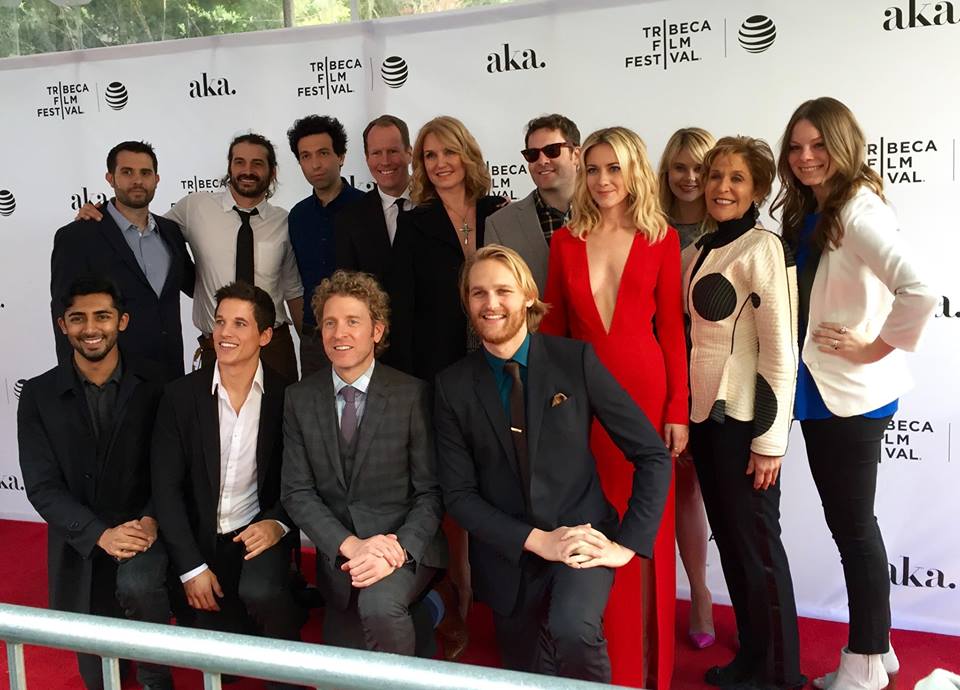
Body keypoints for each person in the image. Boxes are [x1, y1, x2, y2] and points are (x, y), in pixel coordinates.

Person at [434, 244, 671, 682]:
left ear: (527, 295)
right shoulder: (452, 387)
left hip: (583, 538)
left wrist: (627, 546)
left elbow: (652, 454)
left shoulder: (574, 361)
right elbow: (460, 498)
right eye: (478, 293)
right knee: (531, 675)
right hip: (509, 555)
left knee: (574, 629)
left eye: (503, 291)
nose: (491, 304)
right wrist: (537, 541)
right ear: (466, 302)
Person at [773, 97, 937, 690]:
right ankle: (882, 645)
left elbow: (920, 289)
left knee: (853, 528)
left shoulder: (859, 212)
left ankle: (866, 660)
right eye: (796, 147)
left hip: (851, 393)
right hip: (822, 388)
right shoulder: (821, 210)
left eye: (818, 145)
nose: (806, 157)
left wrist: (872, 347)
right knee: (854, 524)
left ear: (843, 145)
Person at [540, 126, 687, 690]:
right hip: (580, 403)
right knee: (589, 517)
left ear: (634, 172)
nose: (603, 180)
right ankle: (596, 662)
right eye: (595, 168)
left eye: (615, 169)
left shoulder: (661, 237)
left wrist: (677, 409)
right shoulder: (565, 240)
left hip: (646, 396)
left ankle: (646, 668)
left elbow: (673, 332)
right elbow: (551, 331)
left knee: (644, 522)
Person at [280, 270, 457, 657]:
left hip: (403, 549)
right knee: (342, 671)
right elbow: (297, 492)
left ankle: (420, 610)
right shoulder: (299, 398)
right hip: (343, 556)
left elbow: (430, 493)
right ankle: (426, 612)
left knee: (379, 607)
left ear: (377, 331)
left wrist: (398, 549)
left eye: (352, 322)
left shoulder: (412, 394)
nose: (339, 333)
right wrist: (351, 546)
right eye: (330, 323)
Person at [684, 136, 804, 690]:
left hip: (745, 423)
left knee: (757, 547)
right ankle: (754, 658)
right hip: (707, 422)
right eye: (715, 177)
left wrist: (770, 441)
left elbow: (781, 352)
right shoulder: (702, 248)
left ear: (757, 187)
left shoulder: (764, 248)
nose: (722, 187)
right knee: (733, 543)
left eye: (736, 178)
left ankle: (779, 672)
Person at [19, 276, 174, 690]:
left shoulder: (159, 385)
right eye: (78, 318)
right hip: (80, 548)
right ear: (62, 325)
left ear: (122, 321)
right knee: (101, 679)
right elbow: (41, 485)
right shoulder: (37, 395)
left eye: (102, 316)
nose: (91, 328)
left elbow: (172, 468)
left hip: (146, 536)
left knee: (152, 666)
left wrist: (151, 520)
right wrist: (100, 535)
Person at [151, 282, 304, 690]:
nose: (225, 333)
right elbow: (164, 489)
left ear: (266, 336)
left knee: (265, 597)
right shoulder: (180, 396)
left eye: (239, 323)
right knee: (223, 662)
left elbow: (302, 480)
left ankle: (288, 676)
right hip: (198, 541)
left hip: (254, 535)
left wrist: (279, 523)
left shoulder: (288, 397)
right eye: (220, 322)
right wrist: (190, 567)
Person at [77, 133, 304, 382]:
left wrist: (311, 344)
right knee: (210, 421)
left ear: (272, 172)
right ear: (229, 167)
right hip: (216, 345)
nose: (247, 170)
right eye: (239, 162)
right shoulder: (194, 207)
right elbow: (142, 228)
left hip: (272, 346)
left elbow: (293, 288)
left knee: (282, 419)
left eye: (257, 164)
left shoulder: (285, 221)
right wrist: (102, 213)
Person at [51, 141, 194, 382]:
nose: (137, 180)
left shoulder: (171, 232)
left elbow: (194, 285)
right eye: (127, 172)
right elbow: (64, 309)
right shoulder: (78, 236)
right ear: (110, 178)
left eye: (145, 173)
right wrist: (72, 381)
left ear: (156, 179)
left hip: (170, 375)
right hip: (113, 380)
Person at [388, 115, 508, 383]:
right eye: (430, 155)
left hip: (500, 353)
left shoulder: (498, 211)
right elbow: (402, 308)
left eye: (449, 152)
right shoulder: (412, 224)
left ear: (467, 155)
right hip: (438, 366)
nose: (440, 163)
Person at [656, 126, 717, 649]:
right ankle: (652, 600)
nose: (691, 177)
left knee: (694, 494)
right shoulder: (649, 229)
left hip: (715, 380)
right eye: (681, 167)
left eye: (701, 167)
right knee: (661, 492)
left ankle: (700, 594)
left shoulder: (736, 229)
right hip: (659, 373)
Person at [286, 115, 364, 377]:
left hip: (361, 336)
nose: (315, 164)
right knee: (315, 414)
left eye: (323, 153)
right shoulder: (297, 217)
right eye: (305, 156)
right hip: (313, 341)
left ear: (340, 156)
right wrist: (307, 331)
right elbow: (295, 281)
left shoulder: (368, 209)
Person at [485, 113, 581, 293]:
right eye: (533, 154)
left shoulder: (611, 212)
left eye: (552, 150)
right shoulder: (500, 225)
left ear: (576, 155)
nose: (542, 161)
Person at [334, 114, 414, 290]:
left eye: (392, 151)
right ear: (367, 158)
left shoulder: (437, 205)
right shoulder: (349, 220)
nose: (385, 161)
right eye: (376, 153)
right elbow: (350, 292)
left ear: (409, 153)